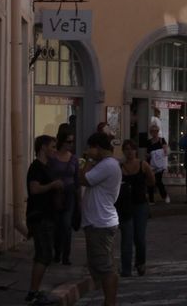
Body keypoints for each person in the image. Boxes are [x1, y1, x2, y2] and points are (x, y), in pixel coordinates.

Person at [78, 132, 121, 306]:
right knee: (103, 265)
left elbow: (83, 179)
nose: (88, 150)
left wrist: (88, 160)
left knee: (105, 268)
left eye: (90, 147)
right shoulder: (106, 164)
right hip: (100, 221)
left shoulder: (107, 165)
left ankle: (109, 302)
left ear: (98, 148)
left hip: (100, 223)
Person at [25, 134, 63, 306]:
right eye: (52, 147)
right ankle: (33, 293)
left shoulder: (47, 166)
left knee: (43, 254)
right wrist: (52, 185)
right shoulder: (36, 167)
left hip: (47, 215)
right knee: (44, 255)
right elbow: (34, 189)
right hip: (40, 216)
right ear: (43, 148)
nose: (55, 150)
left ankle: (34, 291)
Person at [117, 140, 153, 277]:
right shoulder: (120, 167)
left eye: (131, 149)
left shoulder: (143, 165)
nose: (129, 151)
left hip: (140, 204)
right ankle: (126, 269)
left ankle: (140, 263)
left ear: (135, 151)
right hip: (125, 206)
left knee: (139, 237)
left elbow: (151, 180)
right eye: (126, 149)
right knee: (126, 237)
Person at [48, 125, 79, 266]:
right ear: (61, 141)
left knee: (66, 224)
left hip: (70, 194)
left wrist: (79, 199)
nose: (71, 145)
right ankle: (57, 251)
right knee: (56, 224)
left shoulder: (73, 159)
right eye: (68, 142)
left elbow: (77, 179)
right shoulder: (53, 158)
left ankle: (66, 256)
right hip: (55, 194)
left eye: (72, 142)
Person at [145, 123, 170, 204]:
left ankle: (165, 196)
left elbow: (166, 151)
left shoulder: (161, 140)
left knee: (158, 181)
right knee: (150, 181)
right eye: (152, 131)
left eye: (155, 131)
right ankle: (151, 200)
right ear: (150, 132)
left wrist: (165, 150)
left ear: (158, 131)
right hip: (151, 164)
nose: (154, 133)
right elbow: (147, 153)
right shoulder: (148, 142)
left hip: (159, 165)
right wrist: (149, 155)